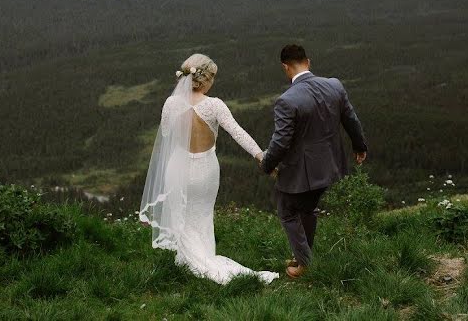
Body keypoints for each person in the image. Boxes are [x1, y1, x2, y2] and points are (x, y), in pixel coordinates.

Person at [139, 53, 279, 284]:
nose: (214, 81)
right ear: (204, 79)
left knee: (181, 213)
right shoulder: (214, 105)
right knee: (202, 214)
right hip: (204, 169)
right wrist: (260, 155)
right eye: (212, 77)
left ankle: (187, 260)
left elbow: (166, 135)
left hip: (177, 166)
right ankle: (203, 257)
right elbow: (237, 132)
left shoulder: (171, 103)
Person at [260, 44, 368, 279]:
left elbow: (280, 143)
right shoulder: (334, 85)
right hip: (330, 166)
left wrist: (267, 164)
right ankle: (303, 256)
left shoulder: (286, 100)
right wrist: (360, 146)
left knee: (287, 210)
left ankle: (305, 264)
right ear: (308, 62)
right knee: (307, 208)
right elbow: (351, 119)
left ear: (286, 68)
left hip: (302, 171)